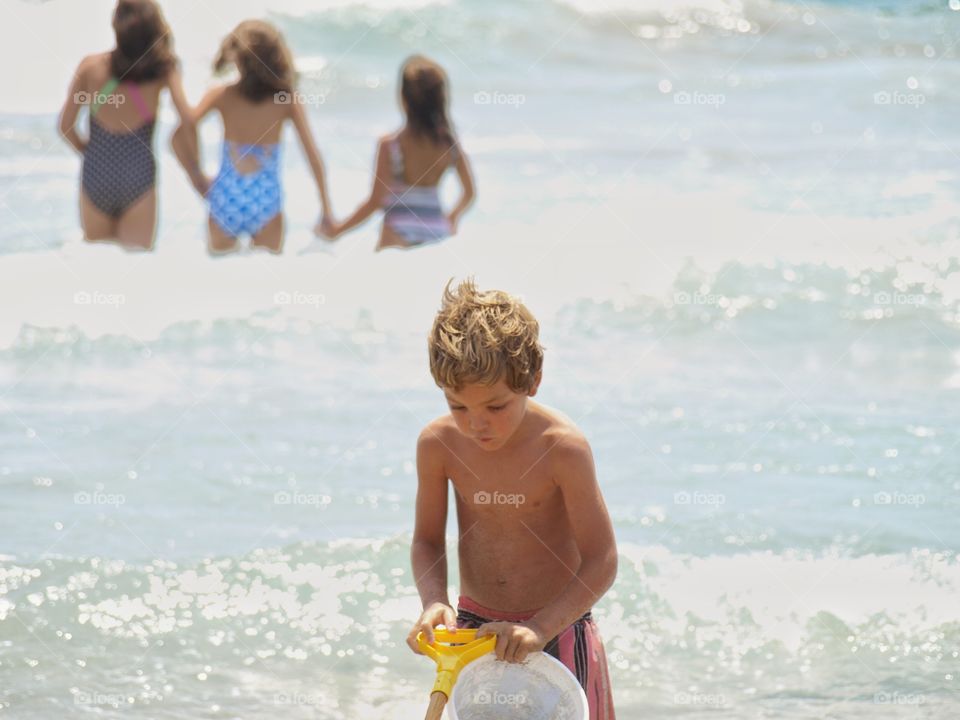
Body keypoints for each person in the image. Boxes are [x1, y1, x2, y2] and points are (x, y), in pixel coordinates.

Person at [407, 280, 618, 719]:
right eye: (457, 407)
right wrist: (434, 601)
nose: (476, 425)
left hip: (558, 629)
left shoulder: (562, 448)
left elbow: (602, 560)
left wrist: (540, 628)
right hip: (473, 634)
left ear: (533, 381)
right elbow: (427, 541)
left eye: (496, 407)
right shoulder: (437, 444)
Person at [171, 20, 332, 254]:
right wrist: (326, 209)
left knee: (220, 277)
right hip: (266, 199)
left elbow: (178, 134)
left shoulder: (222, 95)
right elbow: (313, 157)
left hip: (226, 196)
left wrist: (196, 176)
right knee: (266, 280)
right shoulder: (286, 100)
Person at [58, 0, 194, 250]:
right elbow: (187, 118)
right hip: (139, 175)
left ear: (116, 25)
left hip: (96, 175)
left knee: (97, 263)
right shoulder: (164, 69)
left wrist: (88, 152)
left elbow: (65, 126)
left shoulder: (91, 67)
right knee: (136, 267)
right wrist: (188, 158)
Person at [318, 55, 474, 251]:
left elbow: (375, 202)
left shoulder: (392, 145)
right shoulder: (449, 145)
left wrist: (337, 230)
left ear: (403, 97)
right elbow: (469, 193)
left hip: (397, 232)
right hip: (437, 231)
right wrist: (452, 217)